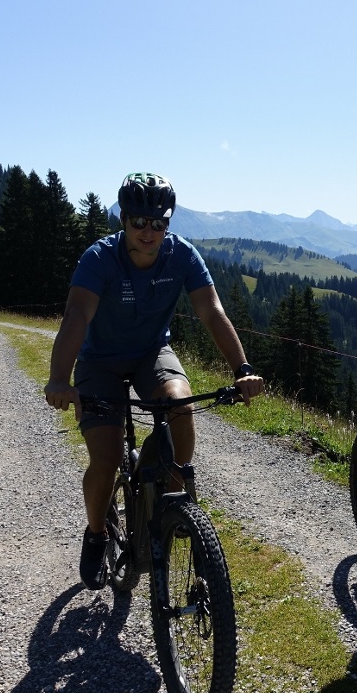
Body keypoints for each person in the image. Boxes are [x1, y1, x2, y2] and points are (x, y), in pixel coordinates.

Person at [45, 172, 265, 590]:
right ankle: (96, 533)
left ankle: (168, 498)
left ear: (168, 223)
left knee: (180, 407)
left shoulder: (181, 255)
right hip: (100, 363)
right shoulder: (99, 258)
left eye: (158, 223)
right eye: (139, 222)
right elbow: (77, 317)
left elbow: (212, 312)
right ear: (124, 219)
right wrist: (59, 378)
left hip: (152, 354)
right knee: (106, 461)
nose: (149, 232)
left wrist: (242, 370)